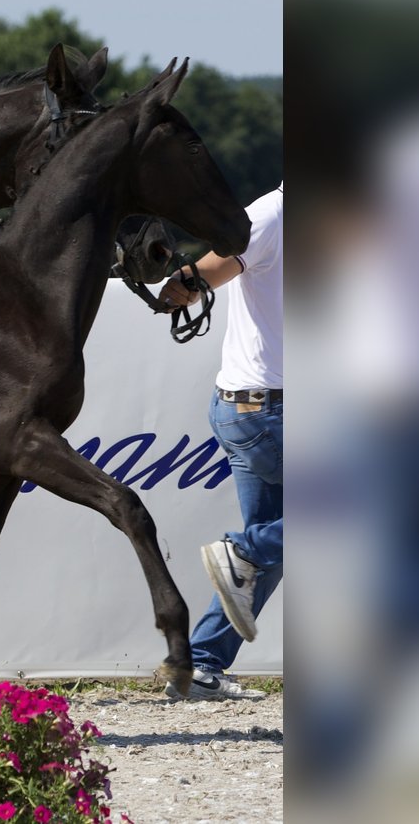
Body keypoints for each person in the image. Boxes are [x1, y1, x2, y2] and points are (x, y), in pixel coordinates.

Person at [162, 183, 283, 700]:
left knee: (276, 542)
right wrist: (187, 281)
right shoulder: (275, 213)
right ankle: (242, 551)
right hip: (271, 411)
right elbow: (218, 265)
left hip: (248, 405)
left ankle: (201, 665)